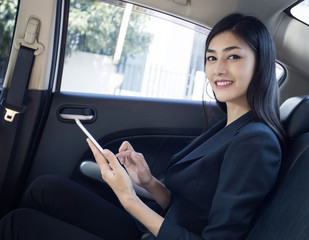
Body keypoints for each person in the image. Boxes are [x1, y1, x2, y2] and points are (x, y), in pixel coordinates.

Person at [0, 13, 286, 239]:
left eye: (233, 56)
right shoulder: (229, 126)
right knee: (46, 188)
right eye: (212, 57)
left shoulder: (256, 142)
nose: (218, 68)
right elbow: (193, 208)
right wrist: (147, 181)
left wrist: (128, 197)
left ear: (261, 64)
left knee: (18, 224)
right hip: (156, 230)